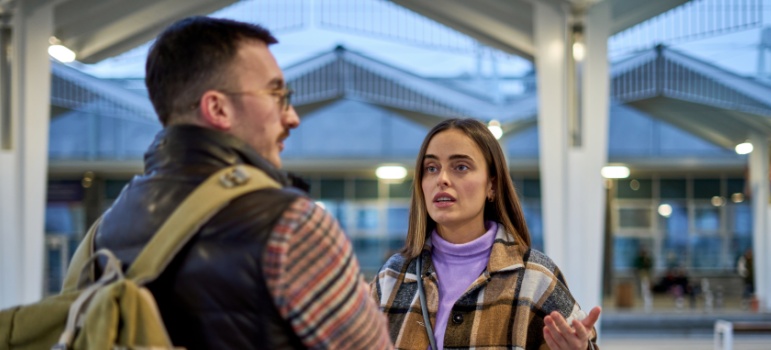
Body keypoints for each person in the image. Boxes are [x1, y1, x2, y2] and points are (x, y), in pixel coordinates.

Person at [92, 16, 391, 349]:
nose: (292, 117)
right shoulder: (290, 223)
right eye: (276, 93)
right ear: (218, 108)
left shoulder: (110, 225)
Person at [371, 118, 600, 349]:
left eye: (460, 167)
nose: (442, 179)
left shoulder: (535, 277)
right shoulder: (392, 277)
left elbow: (585, 341)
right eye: (431, 168)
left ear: (492, 185)